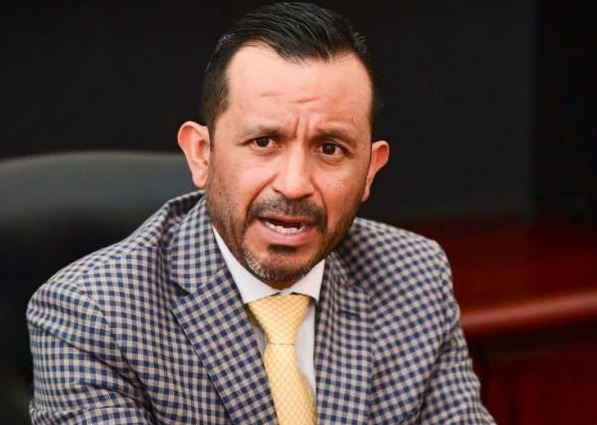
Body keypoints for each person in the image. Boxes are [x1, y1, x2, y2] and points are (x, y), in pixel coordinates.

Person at [27, 2, 495, 423]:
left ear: (370, 170)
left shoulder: (415, 275)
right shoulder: (90, 315)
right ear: (201, 154)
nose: (294, 184)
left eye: (330, 148)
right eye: (264, 142)